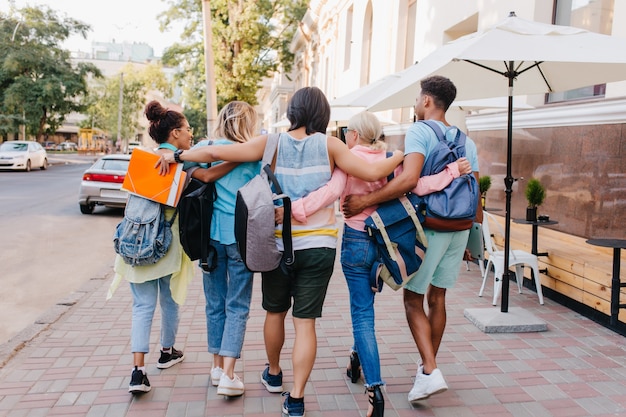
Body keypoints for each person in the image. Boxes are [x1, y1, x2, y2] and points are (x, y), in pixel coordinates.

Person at [155, 86, 403, 417]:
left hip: (278, 243)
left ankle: (273, 373)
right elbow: (374, 172)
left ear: (293, 111)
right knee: (306, 324)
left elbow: (218, 154)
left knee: (275, 312)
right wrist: (401, 154)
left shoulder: (271, 142)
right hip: (319, 246)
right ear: (323, 113)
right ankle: (297, 398)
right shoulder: (333, 145)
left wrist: (177, 156)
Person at [288, 110, 472, 417]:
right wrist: (452, 171)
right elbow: (420, 185)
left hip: (357, 243)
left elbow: (331, 192)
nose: (346, 136)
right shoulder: (391, 159)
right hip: (385, 243)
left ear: (356, 134)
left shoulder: (349, 159)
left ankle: (375, 389)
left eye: (348, 132)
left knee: (362, 314)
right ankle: (356, 359)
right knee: (366, 307)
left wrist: (292, 210)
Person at [342, 76, 483, 404]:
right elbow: (475, 191)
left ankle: (431, 371)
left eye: (419, 98)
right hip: (460, 228)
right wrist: (470, 241)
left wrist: (363, 203)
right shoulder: (467, 140)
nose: (417, 104)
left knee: (412, 299)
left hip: (431, 225)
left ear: (428, 102)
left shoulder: (421, 131)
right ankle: (426, 371)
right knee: (438, 299)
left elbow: (409, 180)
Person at [107, 100, 196, 395]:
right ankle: (167, 351)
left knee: (142, 306)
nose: (190, 133)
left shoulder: (141, 160)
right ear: (173, 134)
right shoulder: (183, 162)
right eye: (185, 129)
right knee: (169, 302)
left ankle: (138, 371)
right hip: (166, 244)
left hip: (134, 243)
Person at [184, 101, 260, 397]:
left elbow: (190, 170)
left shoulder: (208, 147)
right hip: (243, 237)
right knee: (237, 305)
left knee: (214, 303)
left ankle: (216, 367)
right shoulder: (253, 152)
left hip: (211, 237)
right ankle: (229, 374)